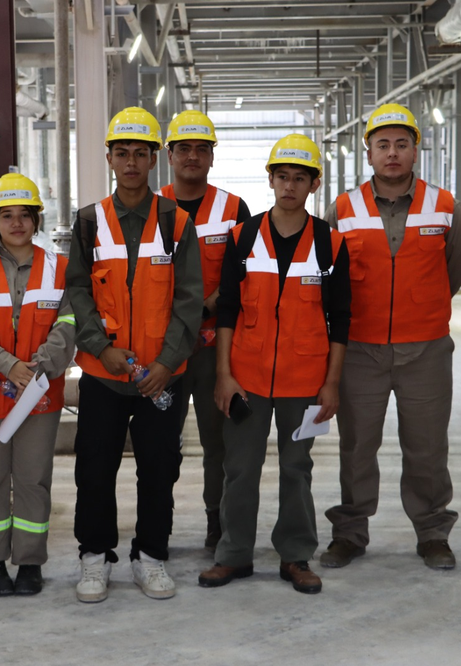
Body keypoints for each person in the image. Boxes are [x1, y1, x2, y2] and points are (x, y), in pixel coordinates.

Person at [320, 103, 461, 572]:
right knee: (356, 446)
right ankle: (350, 532)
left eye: (401, 144)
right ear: (368, 152)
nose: (392, 153)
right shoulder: (343, 210)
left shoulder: (445, 207)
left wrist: (421, 306)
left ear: (415, 150)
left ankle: (432, 534)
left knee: (427, 447)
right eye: (383, 144)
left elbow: (457, 266)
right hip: (361, 350)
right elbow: (330, 276)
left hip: (425, 349)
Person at [198, 133, 351, 595]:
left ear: (313, 184)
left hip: (305, 382)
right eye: (282, 176)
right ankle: (233, 555)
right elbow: (226, 311)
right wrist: (224, 375)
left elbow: (341, 320)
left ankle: (296, 555)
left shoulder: (330, 244)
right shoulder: (243, 237)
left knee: (296, 468)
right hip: (247, 380)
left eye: (299, 178)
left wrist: (332, 384)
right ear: (270, 179)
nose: (289, 186)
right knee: (239, 468)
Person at [67, 107, 202, 602]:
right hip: (104, 375)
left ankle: (152, 556)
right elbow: (76, 293)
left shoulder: (176, 223)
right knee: (95, 468)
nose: (130, 162)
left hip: (161, 378)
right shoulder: (88, 223)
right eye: (121, 153)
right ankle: (95, 555)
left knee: (159, 469)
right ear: (109, 158)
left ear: (152, 161)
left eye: (139, 154)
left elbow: (189, 298)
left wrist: (165, 365)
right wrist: (102, 349)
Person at [0, 173, 75, 597]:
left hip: (40, 395)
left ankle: (29, 562)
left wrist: (37, 369)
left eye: (25, 215)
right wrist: (11, 367)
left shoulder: (61, 269)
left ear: (37, 219)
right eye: (8, 215)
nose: (17, 223)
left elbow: (68, 326)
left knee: (32, 480)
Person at [158, 109, 251, 551]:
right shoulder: (150, 206)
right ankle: (158, 524)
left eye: (201, 149)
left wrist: (202, 312)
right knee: (161, 445)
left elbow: (243, 277)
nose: (192, 156)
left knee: (220, 445)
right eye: (184, 149)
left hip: (216, 350)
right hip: (164, 352)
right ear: (169, 155)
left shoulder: (234, 209)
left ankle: (218, 523)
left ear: (212, 156)